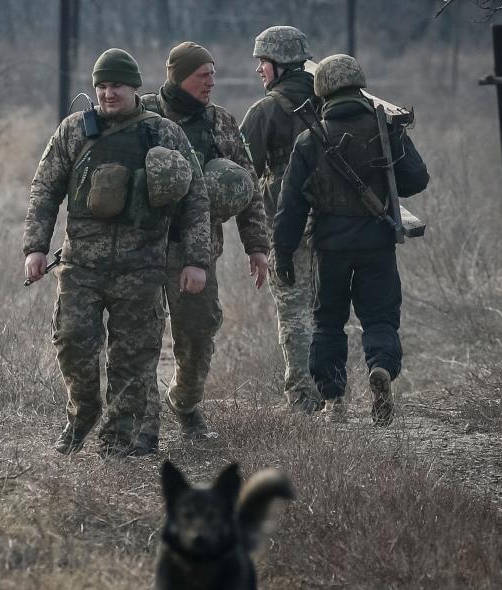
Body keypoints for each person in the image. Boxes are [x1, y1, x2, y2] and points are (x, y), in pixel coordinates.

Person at [23, 48, 211, 457]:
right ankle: (83, 411)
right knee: (72, 341)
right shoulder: (74, 131)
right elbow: (45, 190)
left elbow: (196, 199)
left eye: (117, 86)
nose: (109, 93)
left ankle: (116, 441)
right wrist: (35, 247)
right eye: (102, 86)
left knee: (134, 359)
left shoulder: (164, 133)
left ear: (134, 88)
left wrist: (196, 261)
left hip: (141, 268)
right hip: (80, 266)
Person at [272, 54, 429, 425]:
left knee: (328, 323)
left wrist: (282, 254)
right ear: (359, 84)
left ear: (322, 90)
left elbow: (290, 205)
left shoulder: (310, 139)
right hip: (378, 244)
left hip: (330, 249)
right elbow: (417, 179)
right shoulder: (386, 129)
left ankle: (334, 401)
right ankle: (382, 370)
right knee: (380, 319)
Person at [135, 42, 270, 453]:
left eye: (213, 73)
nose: (211, 81)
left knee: (197, 335)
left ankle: (186, 404)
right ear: (178, 76)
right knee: (138, 336)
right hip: (140, 249)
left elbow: (248, 189)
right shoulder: (142, 116)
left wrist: (257, 246)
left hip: (196, 251)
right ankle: (143, 421)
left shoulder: (221, 125)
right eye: (202, 75)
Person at [240, 26, 320, 414]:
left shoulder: (266, 110)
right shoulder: (331, 100)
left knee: (293, 311)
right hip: (338, 224)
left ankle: (303, 397)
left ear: (280, 65)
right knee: (329, 309)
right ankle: (333, 395)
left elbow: (242, 173)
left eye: (263, 62)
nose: (259, 70)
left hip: (286, 225)